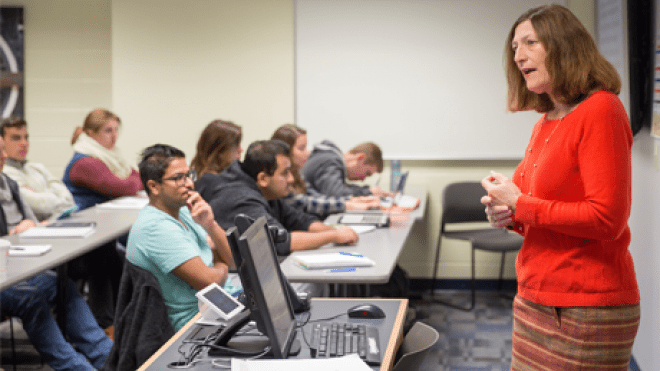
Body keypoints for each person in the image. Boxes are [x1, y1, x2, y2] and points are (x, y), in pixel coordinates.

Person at [480, 5, 640, 369]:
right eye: (515, 46)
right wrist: (505, 213)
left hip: (586, 306)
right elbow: (533, 211)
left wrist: (521, 206)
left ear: (564, 45)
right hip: (535, 296)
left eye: (530, 42)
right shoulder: (546, 121)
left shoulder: (602, 110)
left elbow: (607, 218)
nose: (518, 54)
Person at [0, 135, 112, 371]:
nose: (4, 156)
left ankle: (109, 358)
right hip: (5, 274)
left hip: (15, 265)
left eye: (3, 150)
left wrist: (31, 227)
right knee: (30, 298)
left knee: (59, 284)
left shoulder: (8, 183)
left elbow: (30, 220)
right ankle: (78, 368)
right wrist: (11, 236)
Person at [126, 144, 237, 331]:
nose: (189, 184)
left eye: (188, 175)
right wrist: (221, 266)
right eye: (179, 178)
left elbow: (232, 260)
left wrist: (210, 224)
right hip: (195, 322)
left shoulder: (184, 210)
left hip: (220, 303)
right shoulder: (156, 228)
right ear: (154, 186)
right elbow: (210, 281)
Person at [196, 140, 358, 255]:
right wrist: (335, 235)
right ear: (263, 178)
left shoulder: (264, 189)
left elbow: (299, 219)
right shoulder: (241, 198)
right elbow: (279, 242)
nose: (291, 179)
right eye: (284, 173)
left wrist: (338, 232)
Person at [271, 124, 381, 218]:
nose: (308, 153)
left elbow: (313, 195)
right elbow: (303, 202)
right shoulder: (330, 160)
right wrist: (348, 204)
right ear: (285, 150)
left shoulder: (297, 172)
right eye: (301, 148)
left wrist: (353, 200)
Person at [63, 108, 142, 211]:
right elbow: (124, 188)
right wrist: (134, 180)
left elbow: (136, 179)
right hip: (82, 219)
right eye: (108, 130)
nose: (114, 136)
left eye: (116, 130)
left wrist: (134, 180)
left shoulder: (110, 155)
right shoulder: (85, 162)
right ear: (91, 133)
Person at [1, 117, 75, 222]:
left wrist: (43, 196)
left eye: (26, 137)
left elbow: (69, 200)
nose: (24, 143)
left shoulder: (38, 168)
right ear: (1, 142)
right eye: (16, 138)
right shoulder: (4, 175)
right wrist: (52, 193)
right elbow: (40, 206)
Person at [302, 140, 391, 198]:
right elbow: (336, 194)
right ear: (360, 158)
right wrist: (367, 192)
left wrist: (368, 191)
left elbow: (340, 187)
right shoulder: (331, 161)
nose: (363, 179)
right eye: (367, 173)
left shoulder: (331, 159)